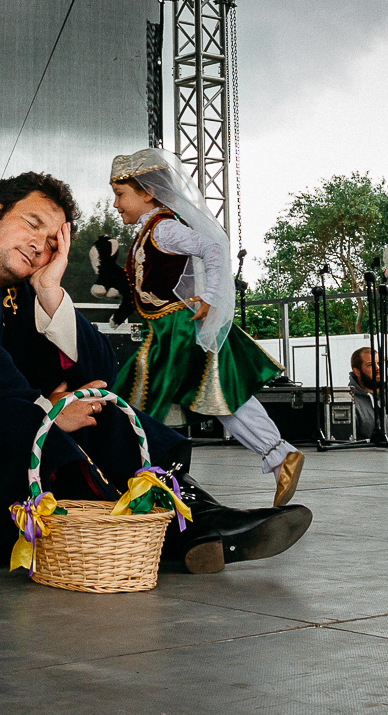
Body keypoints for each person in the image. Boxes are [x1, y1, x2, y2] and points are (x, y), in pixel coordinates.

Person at [0, 172, 312, 574]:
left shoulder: (18, 294)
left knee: (101, 409)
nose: (41, 246)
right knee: (19, 421)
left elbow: (99, 371)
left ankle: (192, 517)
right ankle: (149, 535)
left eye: (54, 242)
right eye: (33, 224)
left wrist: (51, 292)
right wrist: (47, 410)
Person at [108, 149, 303, 506]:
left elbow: (213, 248)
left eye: (121, 194)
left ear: (147, 192)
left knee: (137, 404)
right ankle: (279, 455)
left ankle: (137, 487)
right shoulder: (150, 230)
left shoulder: (163, 228)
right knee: (219, 395)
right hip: (167, 331)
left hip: (176, 332)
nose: (116, 204)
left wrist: (211, 296)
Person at [349, 347, 388, 441]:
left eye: (379, 363)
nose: (378, 368)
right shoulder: (350, 406)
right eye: (370, 365)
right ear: (357, 372)